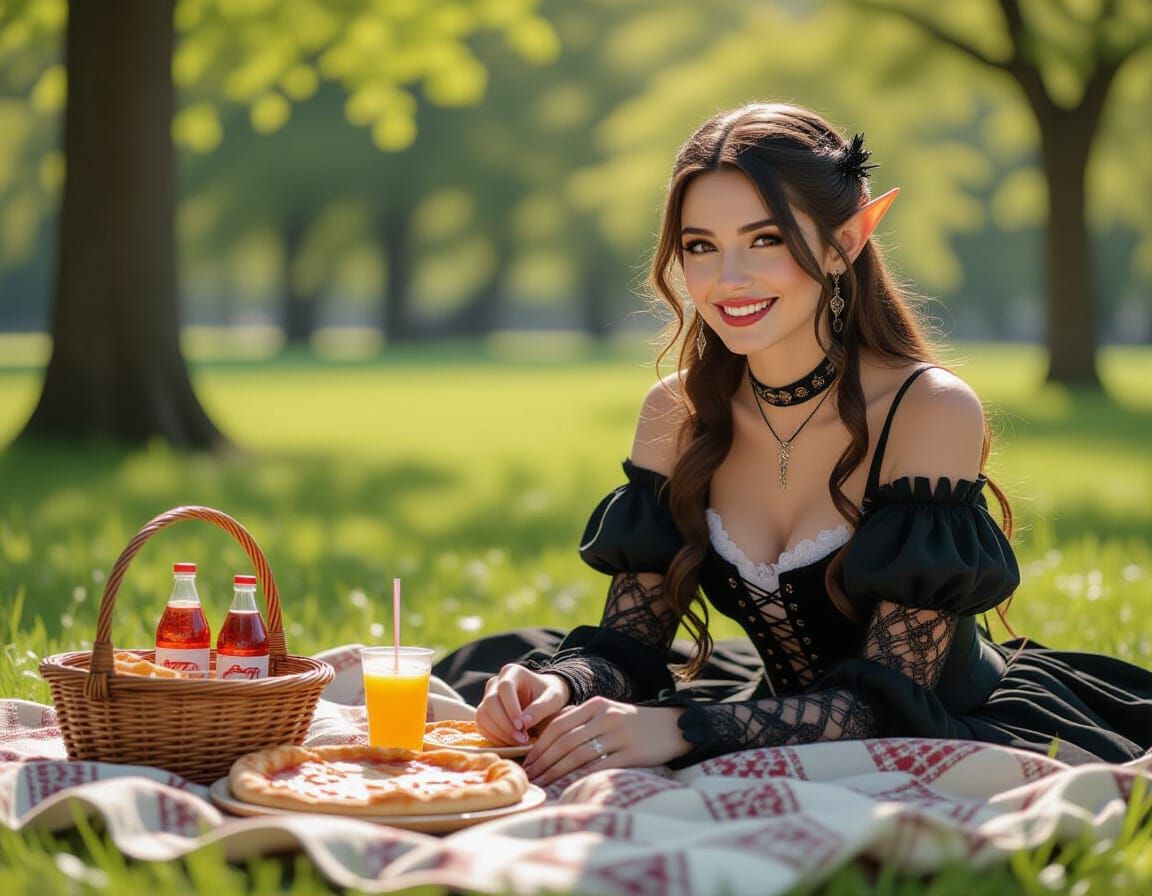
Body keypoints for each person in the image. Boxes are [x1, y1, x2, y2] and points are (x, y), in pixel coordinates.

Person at [432, 102, 1152, 788]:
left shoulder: (927, 410)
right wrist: (561, 684)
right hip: (757, 716)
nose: (728, 279)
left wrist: (684, 728)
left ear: (847, 241)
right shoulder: (674, 412)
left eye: (765, 239)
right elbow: (633, 640)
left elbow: (889, 701)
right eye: (700, 247)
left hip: (949, 725)